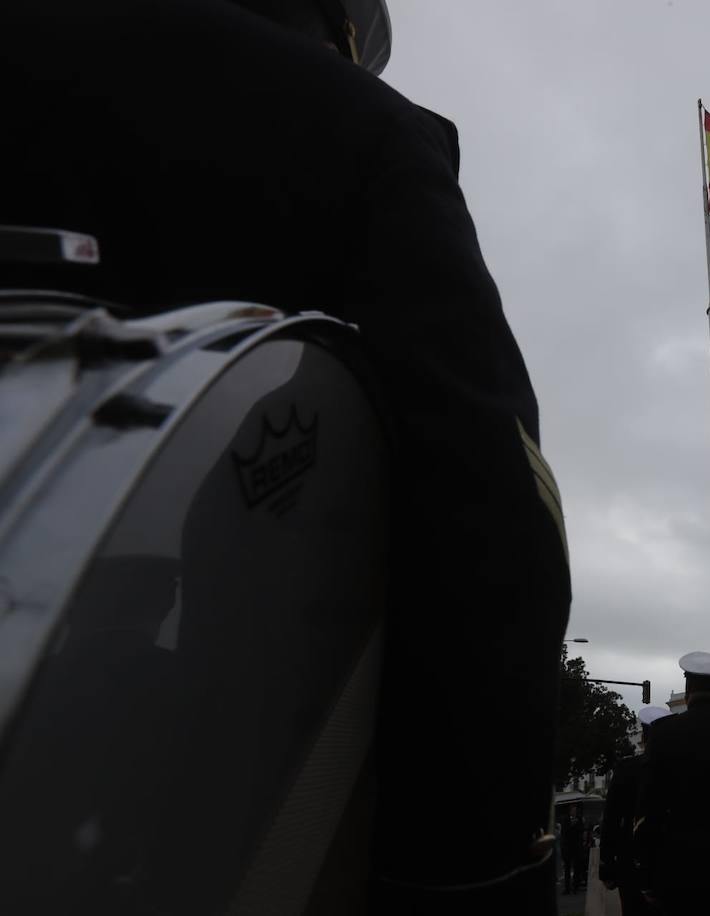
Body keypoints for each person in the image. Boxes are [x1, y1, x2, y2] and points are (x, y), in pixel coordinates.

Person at [1, 2, 571, 913]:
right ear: (341, 29)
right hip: (195, 805)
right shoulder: (358, 124)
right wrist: (471, 871)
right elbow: (486, 503)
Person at [636, 653, 710, 916]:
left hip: (675, 867)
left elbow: (649, 808)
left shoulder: (663, 733)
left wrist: (647, 875)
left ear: (688, 688)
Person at [600, 706, 671, 916]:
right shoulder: (672, 768)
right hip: (665, 863)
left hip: (629, 862)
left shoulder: (626, 768)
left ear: (643, 735)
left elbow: (611, 819)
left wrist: (606, 865)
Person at [560, 805, 587, 895]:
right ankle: (567, 888)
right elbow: (564, 831)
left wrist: (578, 824)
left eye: (576, 810)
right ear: (569, 811)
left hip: (576, 847)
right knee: (567, 868)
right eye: (573, 810)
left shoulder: (579, 818)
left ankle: (575, 887)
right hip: (568, 847)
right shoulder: (565, 819)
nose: (575, 812)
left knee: (577, 867)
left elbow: (582, 829)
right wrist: (572, 825)